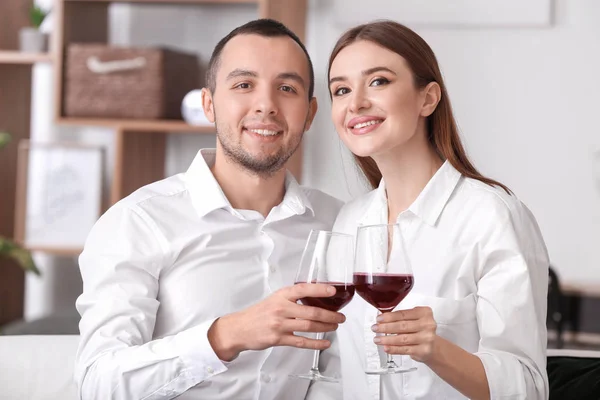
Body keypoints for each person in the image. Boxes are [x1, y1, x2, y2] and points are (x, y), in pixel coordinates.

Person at [74, 19, 345, 400]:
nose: (266, 105)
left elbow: (344, 370)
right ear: (208, 104)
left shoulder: (340, 223)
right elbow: (99, 384)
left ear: (310, 113)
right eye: (243, 85)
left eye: (287, 88)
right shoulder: (138, 221)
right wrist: (225, 335)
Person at [326, 20, 549, 399]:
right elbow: (337, 374)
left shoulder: (491, 217)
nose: (355, 102)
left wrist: (436, 350)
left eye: (378, 81)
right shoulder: (349, 220)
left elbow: (528, 386)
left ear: (427, 98)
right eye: (341, 90)